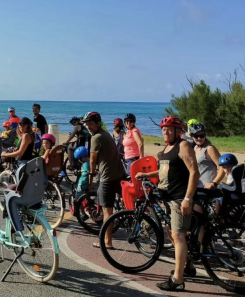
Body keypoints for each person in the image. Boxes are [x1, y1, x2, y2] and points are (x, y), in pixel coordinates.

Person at [135, 115, 199, 291]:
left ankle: (178, 280)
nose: (166, 132)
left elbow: (194, 172)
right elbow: (164, 170)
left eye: (169, 129)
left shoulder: (183, 145)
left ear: (178, 131)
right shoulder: (168, 148)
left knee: (178, 237)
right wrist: (147, 175)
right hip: (168, 198)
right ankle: (188, 266)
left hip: (179, 199)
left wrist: (187, 199)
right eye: (163, 129)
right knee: (172, 232)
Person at [84, 112, 124, 250]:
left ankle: (108, 242)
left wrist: (90, 177)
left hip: (107, 177)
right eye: (86, 124)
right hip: (118, 173)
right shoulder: (106, 134)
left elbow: (92, 160)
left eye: (90, 123)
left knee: (107, 211)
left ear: (97, 123)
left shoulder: (96, 138)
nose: (88, 126)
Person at [188, 123, 225, 188]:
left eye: (202, 135)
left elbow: (222, 167)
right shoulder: (195, 148)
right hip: (197, 186)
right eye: (196, 136)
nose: (199, 138)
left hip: (207, 188)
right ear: (191, 136)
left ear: (205, 134)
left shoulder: (209, 148)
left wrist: (214, 183)